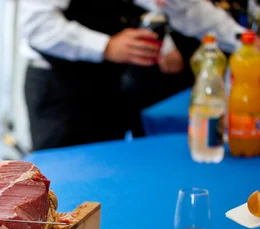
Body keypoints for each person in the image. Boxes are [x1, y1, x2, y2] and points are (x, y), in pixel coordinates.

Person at [19, 0, 257, 150]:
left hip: (108, 84)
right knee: (62, 193)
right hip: (60, 94)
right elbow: (37, 24)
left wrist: (243, 40)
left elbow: (187, 9)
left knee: (105, 188)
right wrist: (106, 46)